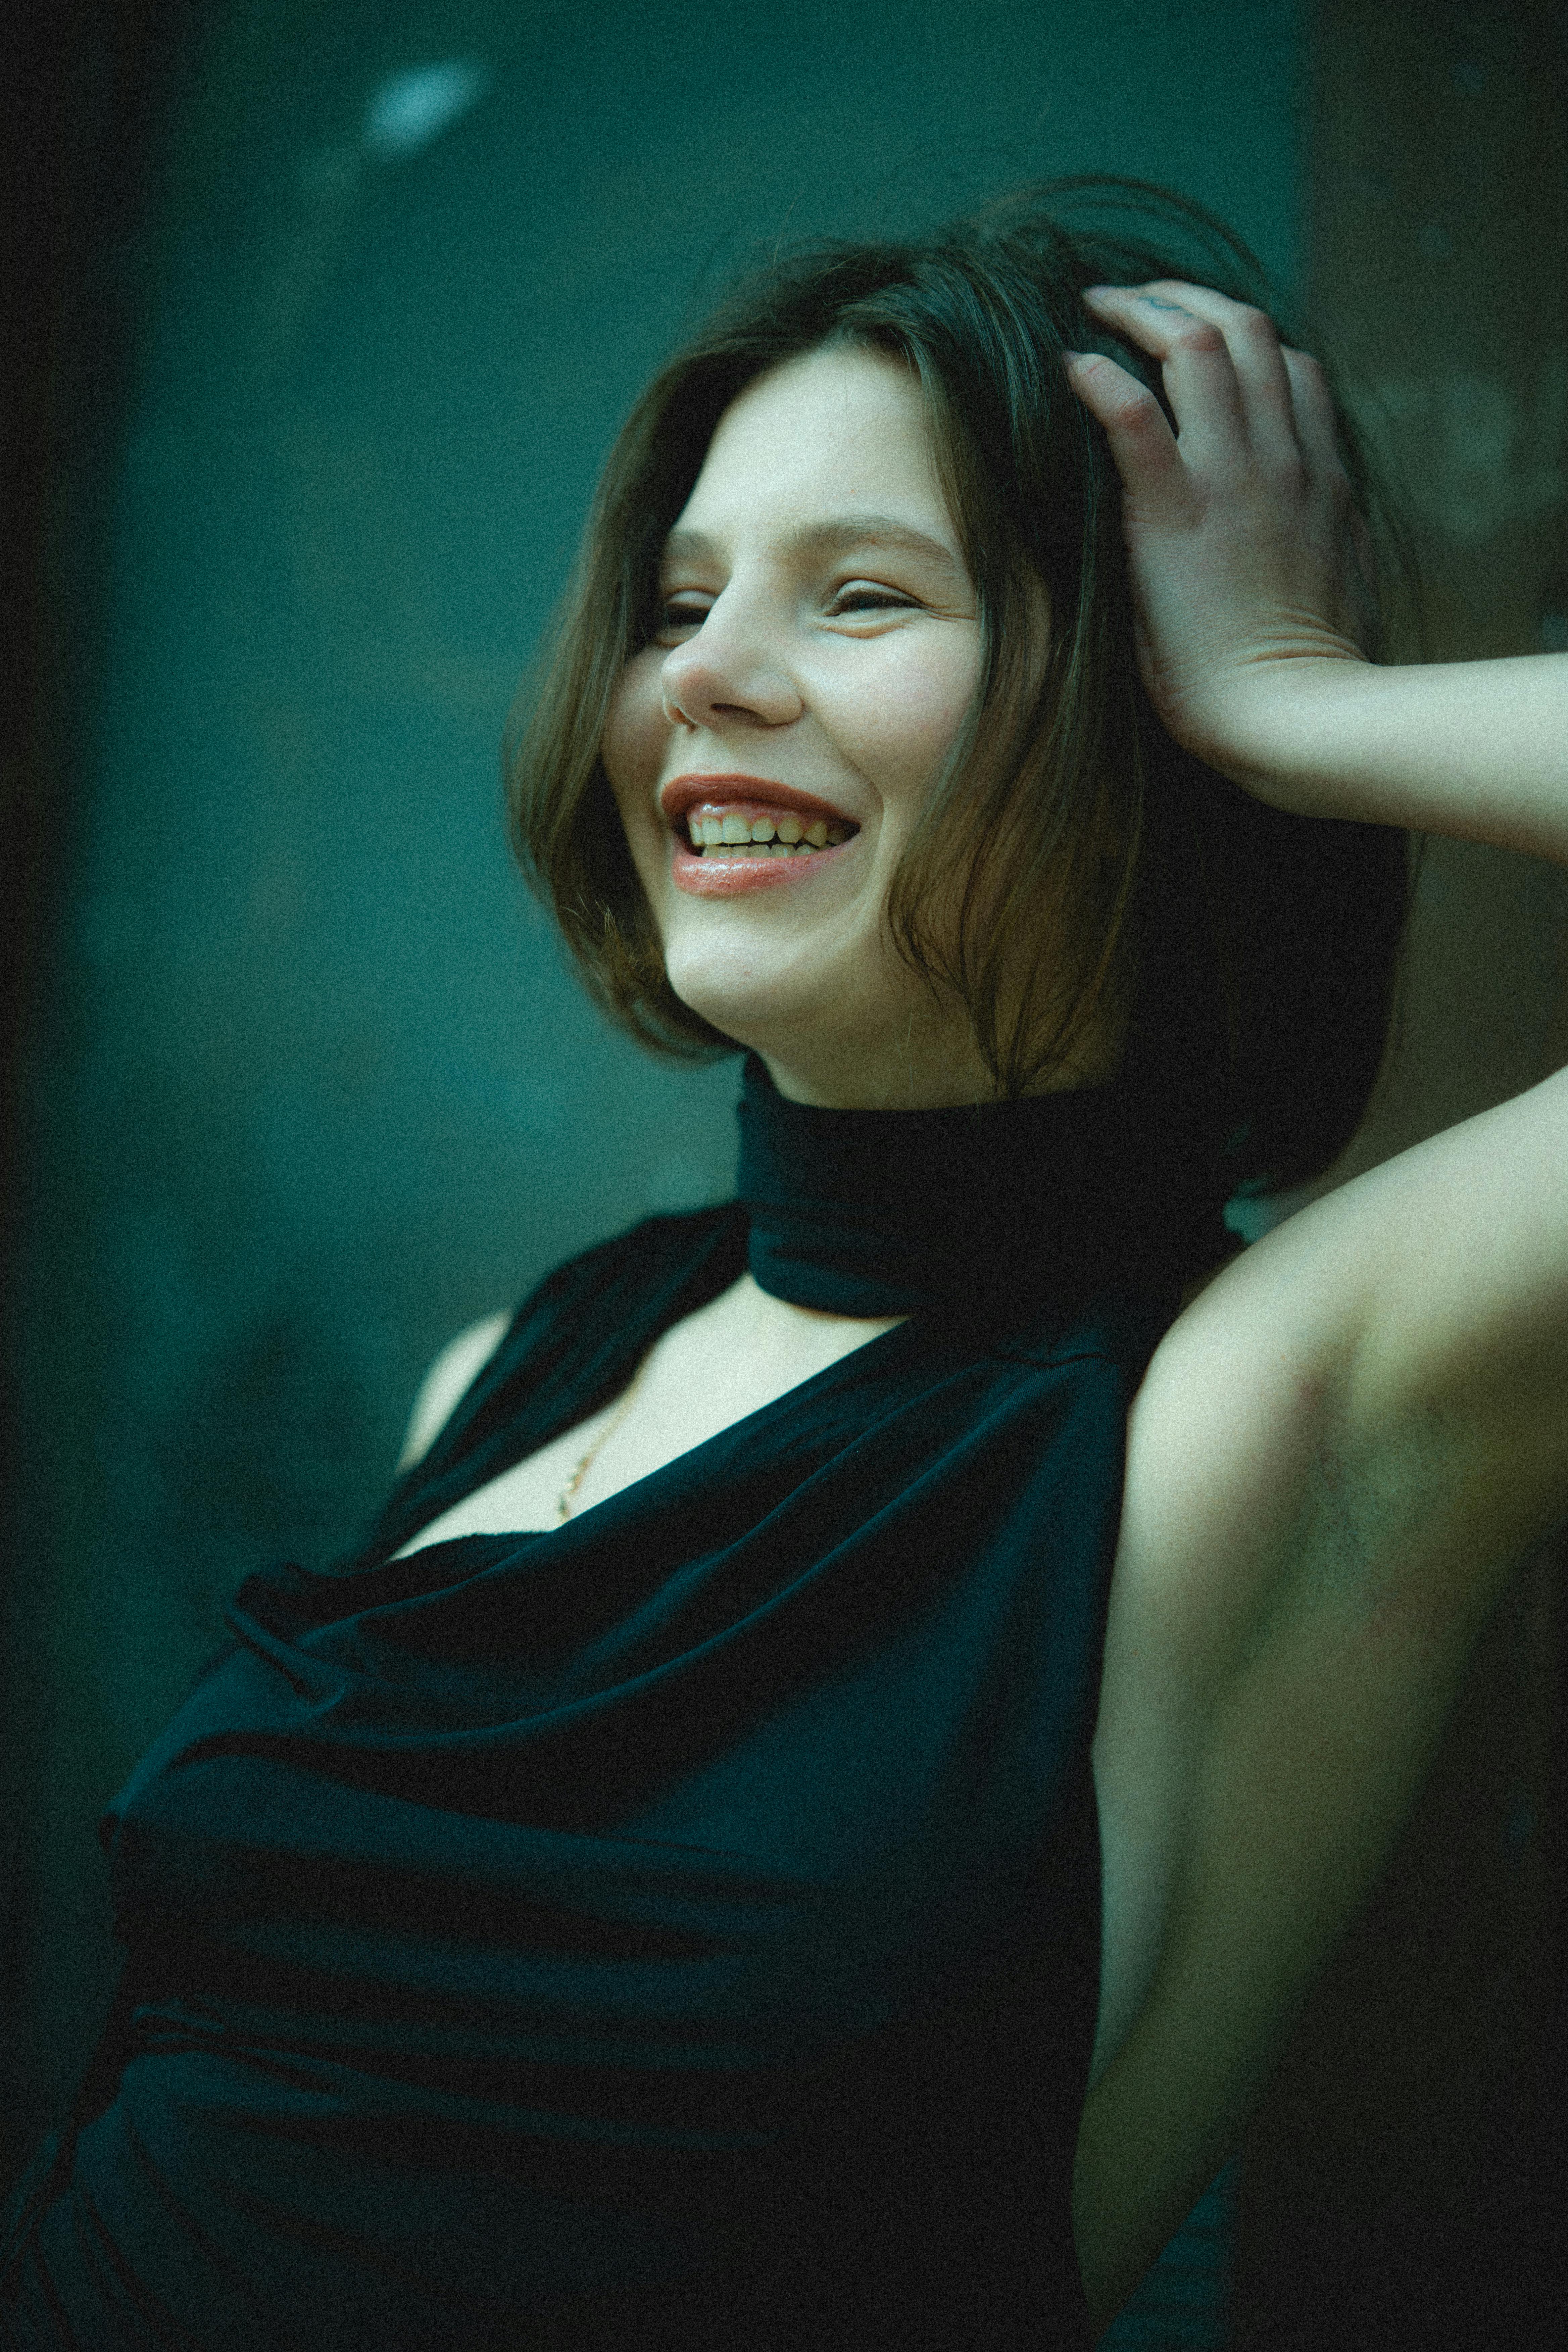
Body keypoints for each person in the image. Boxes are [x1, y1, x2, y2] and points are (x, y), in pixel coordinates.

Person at [3, 175, 1564, 2350]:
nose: (704, 679)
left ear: (1136, 701)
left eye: (863, 597)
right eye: (679, 600)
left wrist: (1291, 705)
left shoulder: (1253, 1412)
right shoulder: (518, 1366)